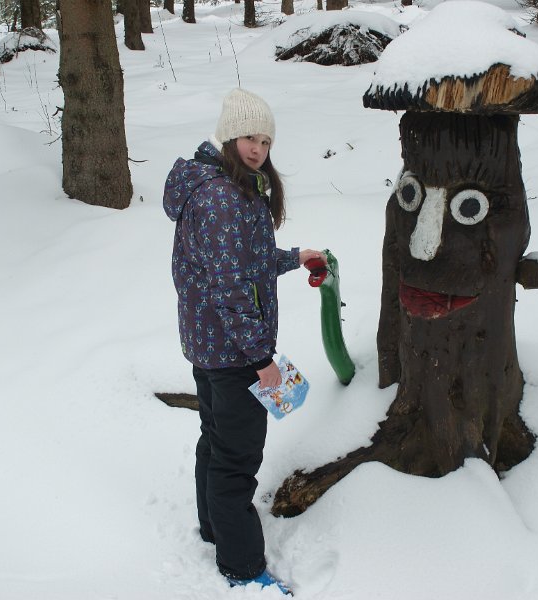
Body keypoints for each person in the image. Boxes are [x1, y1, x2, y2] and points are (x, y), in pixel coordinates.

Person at [163, 88, 321, 595]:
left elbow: (244, 262)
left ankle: (216, 530)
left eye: (266, 141)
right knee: (236, 462)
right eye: (251, 137)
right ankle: (243, 567)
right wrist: (261, 360)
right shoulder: (221, 197)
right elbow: (231, 288)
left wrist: (295, 257)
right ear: (229, 136)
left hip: (211, 347)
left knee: (215, 442)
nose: (258, 149)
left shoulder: (221, 185)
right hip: (234, 354)